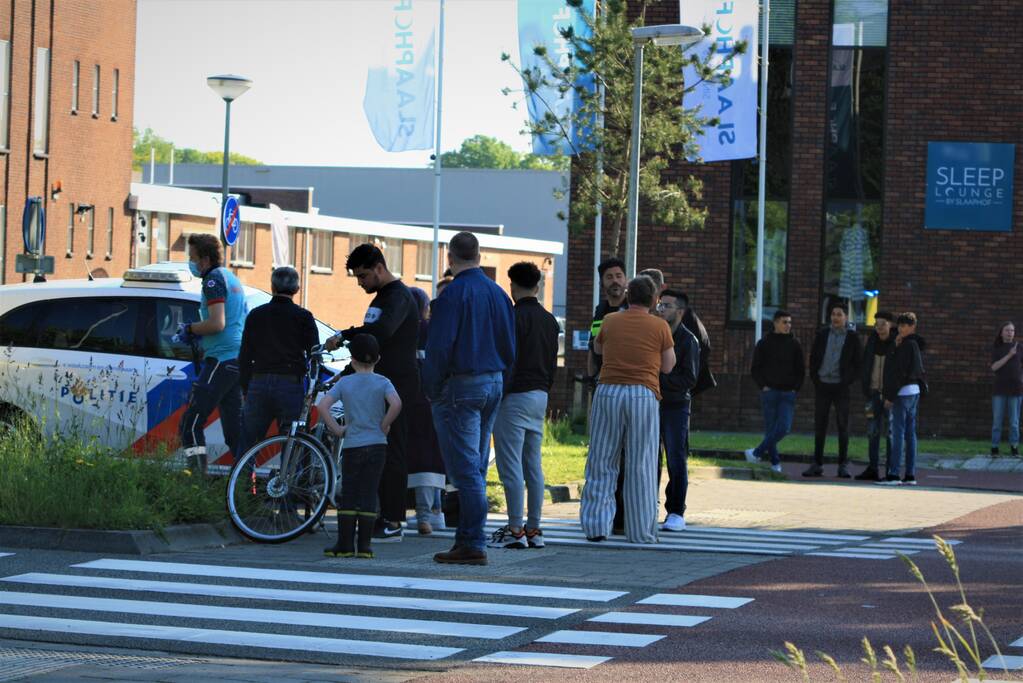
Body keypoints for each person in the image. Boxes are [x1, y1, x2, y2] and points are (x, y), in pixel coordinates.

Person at [423, 232, 516, 566]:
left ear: (450, 258)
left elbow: (439, 347)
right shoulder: (499, 294)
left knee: (465, 470)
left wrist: (431, 388)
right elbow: (509, 344)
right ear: (479, 255)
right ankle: (467, 538)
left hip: (461, 385)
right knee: (475, 463)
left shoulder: (451, 296)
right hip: (493, 380)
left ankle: (472, 541)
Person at [325, 243, 419, 543]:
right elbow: (372, 339)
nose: (360, 282)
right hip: (379, 382)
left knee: (392, 452)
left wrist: (346, 336)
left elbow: (380, 334)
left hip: (398, 384)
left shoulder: (399, 297)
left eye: (363, 275)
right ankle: (378, 516)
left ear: (379, 267)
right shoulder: (382, 297)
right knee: (378, 451)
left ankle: (392, 521)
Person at [580, 276, 675, 544]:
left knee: (602, 459)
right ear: (654, 299)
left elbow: (598, 348)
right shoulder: (660, 326)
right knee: (641, 463)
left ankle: (596, 526)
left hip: (608, 390)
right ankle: (640, 531)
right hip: (643, 394)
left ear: (627, 296)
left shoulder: (610, 321)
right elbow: (668, 366)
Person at [489, 262, 561, 550]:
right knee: (533, 463)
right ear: (539, 285)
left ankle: (515, 528)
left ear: (512, 285)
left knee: (510, 465)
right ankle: (534, 528)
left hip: (514, 395)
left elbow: (506, 358)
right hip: (540, 394)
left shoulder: (512, 317)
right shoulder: (549, 320)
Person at [318, 334, 402, 559]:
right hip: (377, 445)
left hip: (353, 445)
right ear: (378, 359)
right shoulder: (384, 382)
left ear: (352, 359)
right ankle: (364, 546)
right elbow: (396, 404)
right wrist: (385, 424)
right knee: (368, 492)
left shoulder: (345, 382)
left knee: (350, 493)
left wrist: (337, 429)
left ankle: (344, 544)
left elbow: (323, 406)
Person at [179, 234, 247, 474]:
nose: (191, 263)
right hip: (237, 360)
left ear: (205, 260)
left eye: (192, 258)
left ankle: (196, 485)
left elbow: (217, 323)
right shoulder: (231, 278)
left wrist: (190, 329)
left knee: (191, 424)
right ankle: (245, 491)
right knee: (235, 432)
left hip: (220, 359)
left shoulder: (212, 282)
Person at [236, 266, 319, 457]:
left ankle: (240, 484)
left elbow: (245, 355)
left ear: (272, 286)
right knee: (291, 442)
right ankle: (286, 484)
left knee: (248, 442)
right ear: (297, 289)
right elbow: (314, 355)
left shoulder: (256, 315)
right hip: (290, 385)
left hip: (259, 382)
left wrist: (246, 387)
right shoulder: (303, 317)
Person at [587, 257, 629, 534]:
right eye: (609, 277)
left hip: (630, 388)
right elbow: (593, 348)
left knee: (628, 456)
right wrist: (591, 378)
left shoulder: (634, 310)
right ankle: (608, 513)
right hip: (604, 388)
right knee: (605, 454)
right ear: (602, 283)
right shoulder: (600, 311)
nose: (615, 281)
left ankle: (626, 514)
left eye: (618, 276)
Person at [655, 288, 700, 532]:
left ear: (680, 311)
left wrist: (660, 380)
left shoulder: (687, 340)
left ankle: (676, 511)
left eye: (667, 306)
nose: (661, 309)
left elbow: (689, 378)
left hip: (676, 406)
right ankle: (649, 504)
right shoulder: (655, 334)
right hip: (653, 403)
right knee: (650, 457)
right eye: (660, 305)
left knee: (675, 458)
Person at [804, 301, 861, 478]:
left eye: (839, 314)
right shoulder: (822, 334)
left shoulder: (852, 338)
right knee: (820, 425)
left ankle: (842, 465)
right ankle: (817, 464)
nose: (835, 317)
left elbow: (858, 363)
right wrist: (815, 378)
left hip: (841, 387)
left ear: (846, 317)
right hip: (822, 385)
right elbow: (814, 357)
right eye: (833, 314)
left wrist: (847, 381)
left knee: (843, 425)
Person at [406, 286, 446, 535]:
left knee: (410, 455)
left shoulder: (404, 332)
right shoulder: (435, 331)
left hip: (408, 400)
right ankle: (431, 514)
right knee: (432, 456)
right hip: (435, 399)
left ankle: (411, 515)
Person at [745, 310, 804, 473]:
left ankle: (756, 452)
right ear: (776, 323)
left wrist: (795, 388)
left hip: (788, 393)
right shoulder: (764, 343)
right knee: (771, 429)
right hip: (769, 392)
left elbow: (801, 370)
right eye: (785, 322)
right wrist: (763, 386)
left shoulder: (795, 344)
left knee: (784, 427)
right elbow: (755, 368)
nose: (788, 326)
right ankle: (775, 463)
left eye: (790, 322)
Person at [878, 312, 926, 485]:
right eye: (899, 326)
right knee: (910, 433)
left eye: (905, 325)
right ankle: (910, 474)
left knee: (897, 433)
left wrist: (890, 396)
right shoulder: (913, 344)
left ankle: (893, 474)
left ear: (912, 327)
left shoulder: (906, 345)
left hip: (902, 392)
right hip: (914, 392)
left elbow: (899, 372)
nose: (901, 329)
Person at [856, 311, 896, 481]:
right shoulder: (871, 342)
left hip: (889, 396)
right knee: (872, 432)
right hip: (873, 393)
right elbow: (865, 364)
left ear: (890, 325)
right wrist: (866, 387)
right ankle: (872, 468)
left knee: (890, 433)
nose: (879, 328)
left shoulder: (896, 343)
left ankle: (890, 470)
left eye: (883, 324)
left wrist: (892, 394)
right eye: (877, 324)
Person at [990, 322, 1022, 457]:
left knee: (1014, 421)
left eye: (1012, 330)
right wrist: (1009, 355)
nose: (1010, 333)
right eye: (1007, 330)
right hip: (999, 389)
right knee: (997, 421)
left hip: (1016, 389)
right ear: (1002, 332)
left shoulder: (1019, 347)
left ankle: (1014, 447)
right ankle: (995, 447)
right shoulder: (997, 348)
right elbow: (994, 367)